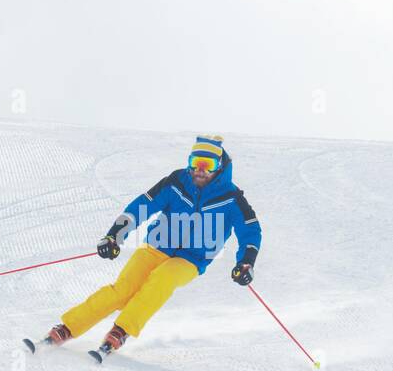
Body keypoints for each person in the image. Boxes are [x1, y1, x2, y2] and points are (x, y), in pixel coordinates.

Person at [35, 135, 262, 358]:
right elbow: (143, 205)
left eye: (208, 164)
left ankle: (120, 331)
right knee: (123, 290)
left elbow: (250, 231)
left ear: (219, 167)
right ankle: (66, 328)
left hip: (191, 259)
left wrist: (246, 262)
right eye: (195, 162)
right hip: (156, 247)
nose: (199, 170)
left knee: (162, 279)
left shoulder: (232, 198)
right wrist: (114, 236)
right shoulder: (176, 182)